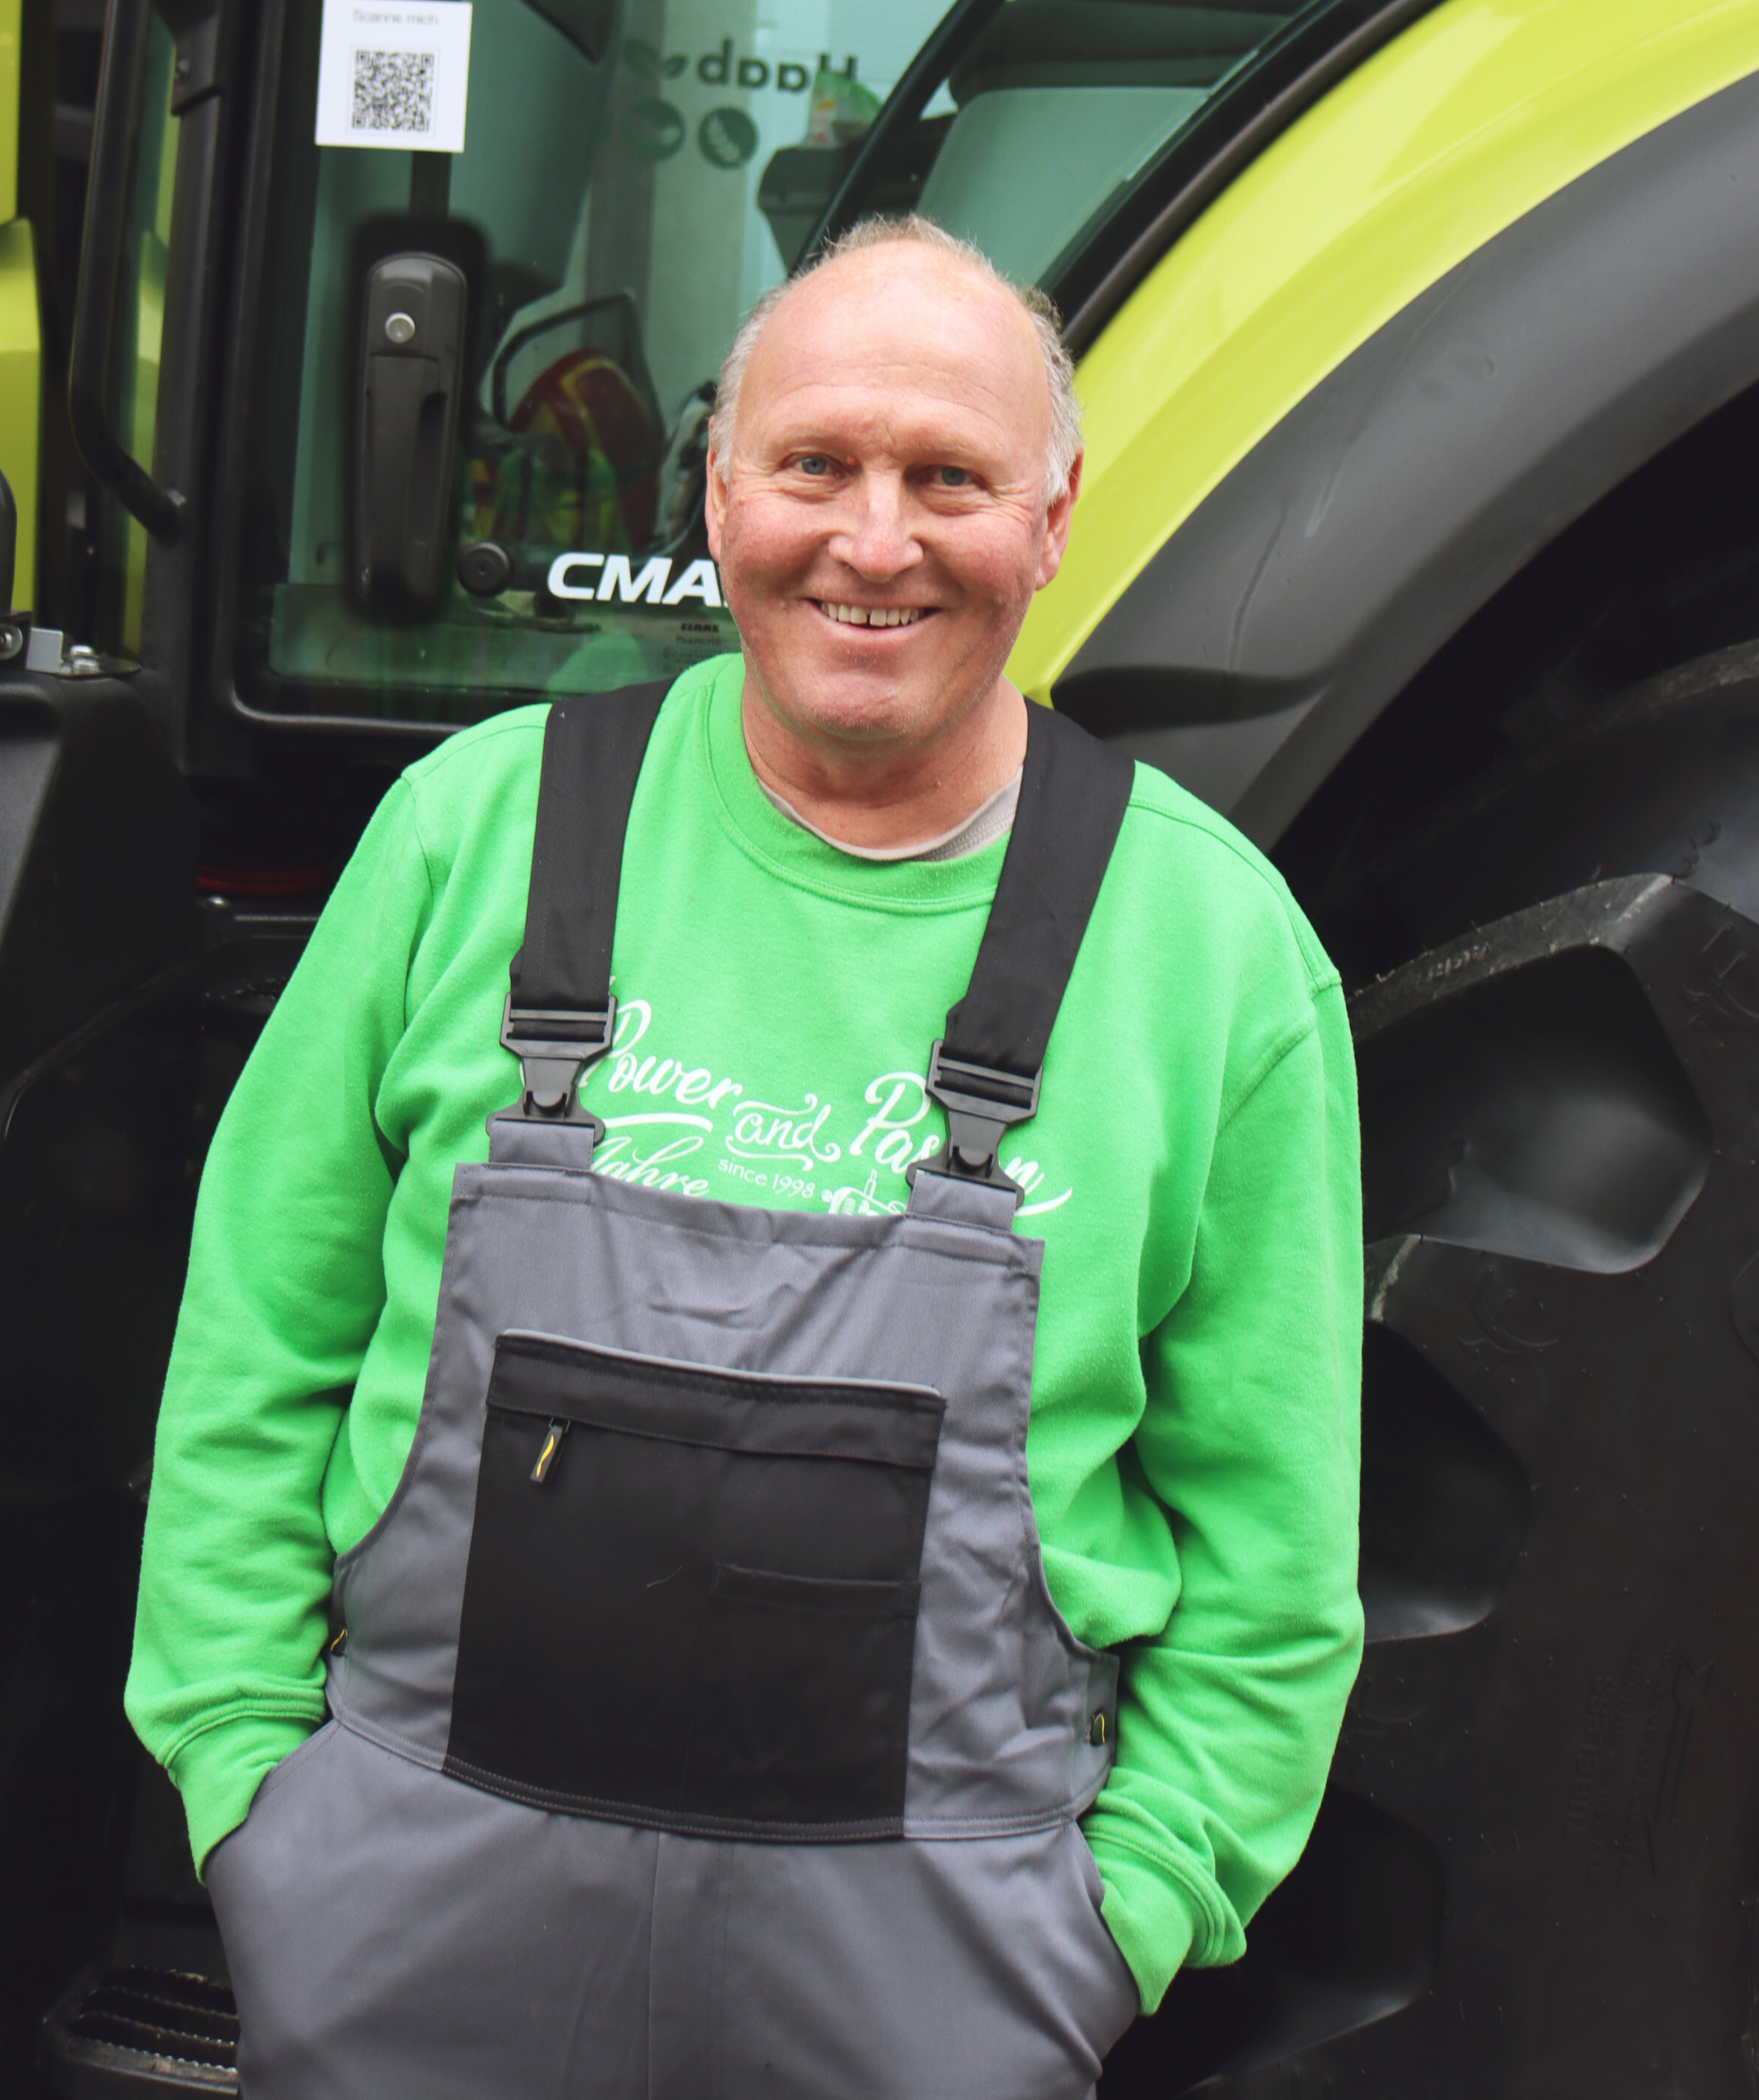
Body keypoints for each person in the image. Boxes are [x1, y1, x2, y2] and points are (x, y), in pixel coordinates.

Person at [127, 213, 1362, 2100]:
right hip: (397, 1939)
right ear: (717, 491)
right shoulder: (474, 833)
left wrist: (1119, 1920)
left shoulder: (1209, 948)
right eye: (814, 465)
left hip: (940, 1989)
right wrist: (249, 1791)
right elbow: (255, 1351)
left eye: (945, 478)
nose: (872, 541)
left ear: (1049, 516)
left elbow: (1275, 1548)